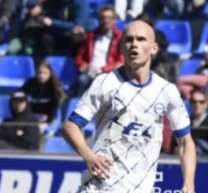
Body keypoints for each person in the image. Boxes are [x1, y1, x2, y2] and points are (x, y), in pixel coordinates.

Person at [63, 20, 196, 193]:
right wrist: (89, 156)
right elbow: (70, 126)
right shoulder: (105, 83)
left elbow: (185, 142)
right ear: (121, 47)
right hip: (101, 187)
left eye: (141, 39)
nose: (134, 44)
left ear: (154, 48)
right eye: (128, 39)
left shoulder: (166, 91)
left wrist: (189, 184)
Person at [74, 4, 123, 95]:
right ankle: (81, 103)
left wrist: (103, 69)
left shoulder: (119, 38)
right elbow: (79, 56)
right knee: (82, 80)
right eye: (102, 18)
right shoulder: (90, 36)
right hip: (90, 72)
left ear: (114, 20)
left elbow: (121, 61)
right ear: (98, 19)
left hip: (109, 73)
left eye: (109, 18)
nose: (105, 21)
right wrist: (83, 65)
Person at [20, 61, 65, 128]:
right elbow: (20, 95)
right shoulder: (30, 83)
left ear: (50, 73)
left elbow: (54, 109)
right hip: (32, 117)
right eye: (39, 73)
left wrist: (47, 122)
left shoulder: (54, 87)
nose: (42, 76)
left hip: (48, 119)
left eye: (45, 73)